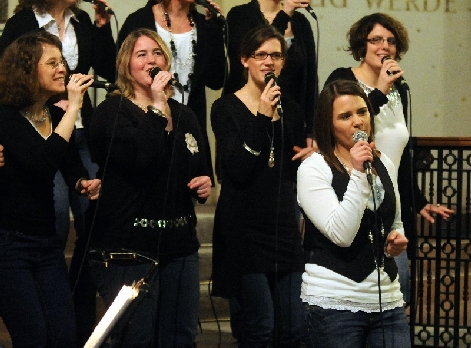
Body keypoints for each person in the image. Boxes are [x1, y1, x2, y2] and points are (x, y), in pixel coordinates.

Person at [0, 1, 117, 344]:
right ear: (26, 70)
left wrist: (83, 181)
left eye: (62, 61)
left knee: (64, 335)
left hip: (47, 246)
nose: (62, 68)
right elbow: (42, 160)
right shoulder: (6, 116)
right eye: (51, 63)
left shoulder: (52, 112)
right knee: (34, 338)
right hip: (9, 247)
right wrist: (75, 107)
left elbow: (67, 162)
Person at [87, 28, 212, 347]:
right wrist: (157, 107)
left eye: (157, 53)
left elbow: (198, 166)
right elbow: (142, 158)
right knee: (136, 338)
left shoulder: (185, 115)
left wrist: (202, 184)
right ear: (125, 65)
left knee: (181, 337)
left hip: (180, 245)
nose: (151, 60)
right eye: (141, 54)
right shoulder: (110, 114)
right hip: (129, 249)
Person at [324, 12, 454, 304]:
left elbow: (401, 154)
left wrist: (417, 201)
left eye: (391, 41)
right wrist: (380, 90)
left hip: (391, 206)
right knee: (361, 295)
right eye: (376, 40)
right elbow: (340, 128)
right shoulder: (342, 79)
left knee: (398, 291)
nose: (384, 47)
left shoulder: (400, 91)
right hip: (354, 198)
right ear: (362, 44)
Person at [210, 25, 306, 347]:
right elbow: (236, 168)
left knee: (293, 328)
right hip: (245, 230)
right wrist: (263, 116)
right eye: (260, 54)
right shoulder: (225, 108)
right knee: (259, 327)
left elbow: (292, 165)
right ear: (244, 60)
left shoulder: (290, 108)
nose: (269, 62)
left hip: (282, 226)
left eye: (276, 55)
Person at [298, 79, 410, 348]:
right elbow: (341, 234)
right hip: (334, 304)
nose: (358, 122)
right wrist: (359, 174)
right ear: (329, 123)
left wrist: (397, 238)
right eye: (345, 116)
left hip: (386, 302)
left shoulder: (383, 162)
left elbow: (394, 219)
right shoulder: (314, 169)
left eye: (362, 112)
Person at [117, 0, 226, 182]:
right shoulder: (140, 19)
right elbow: (120, 73)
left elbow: (216, 80)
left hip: (188, 123)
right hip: (144, 119)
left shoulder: (204, 23)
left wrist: (215, 29)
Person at [224, 0, 317, 143]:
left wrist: (312, 132)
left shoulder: (301, 22)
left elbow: (310, 80)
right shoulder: (240, 15)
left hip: (290, 119)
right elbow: (243, 62)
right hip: (249, 116)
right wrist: (284, 15)